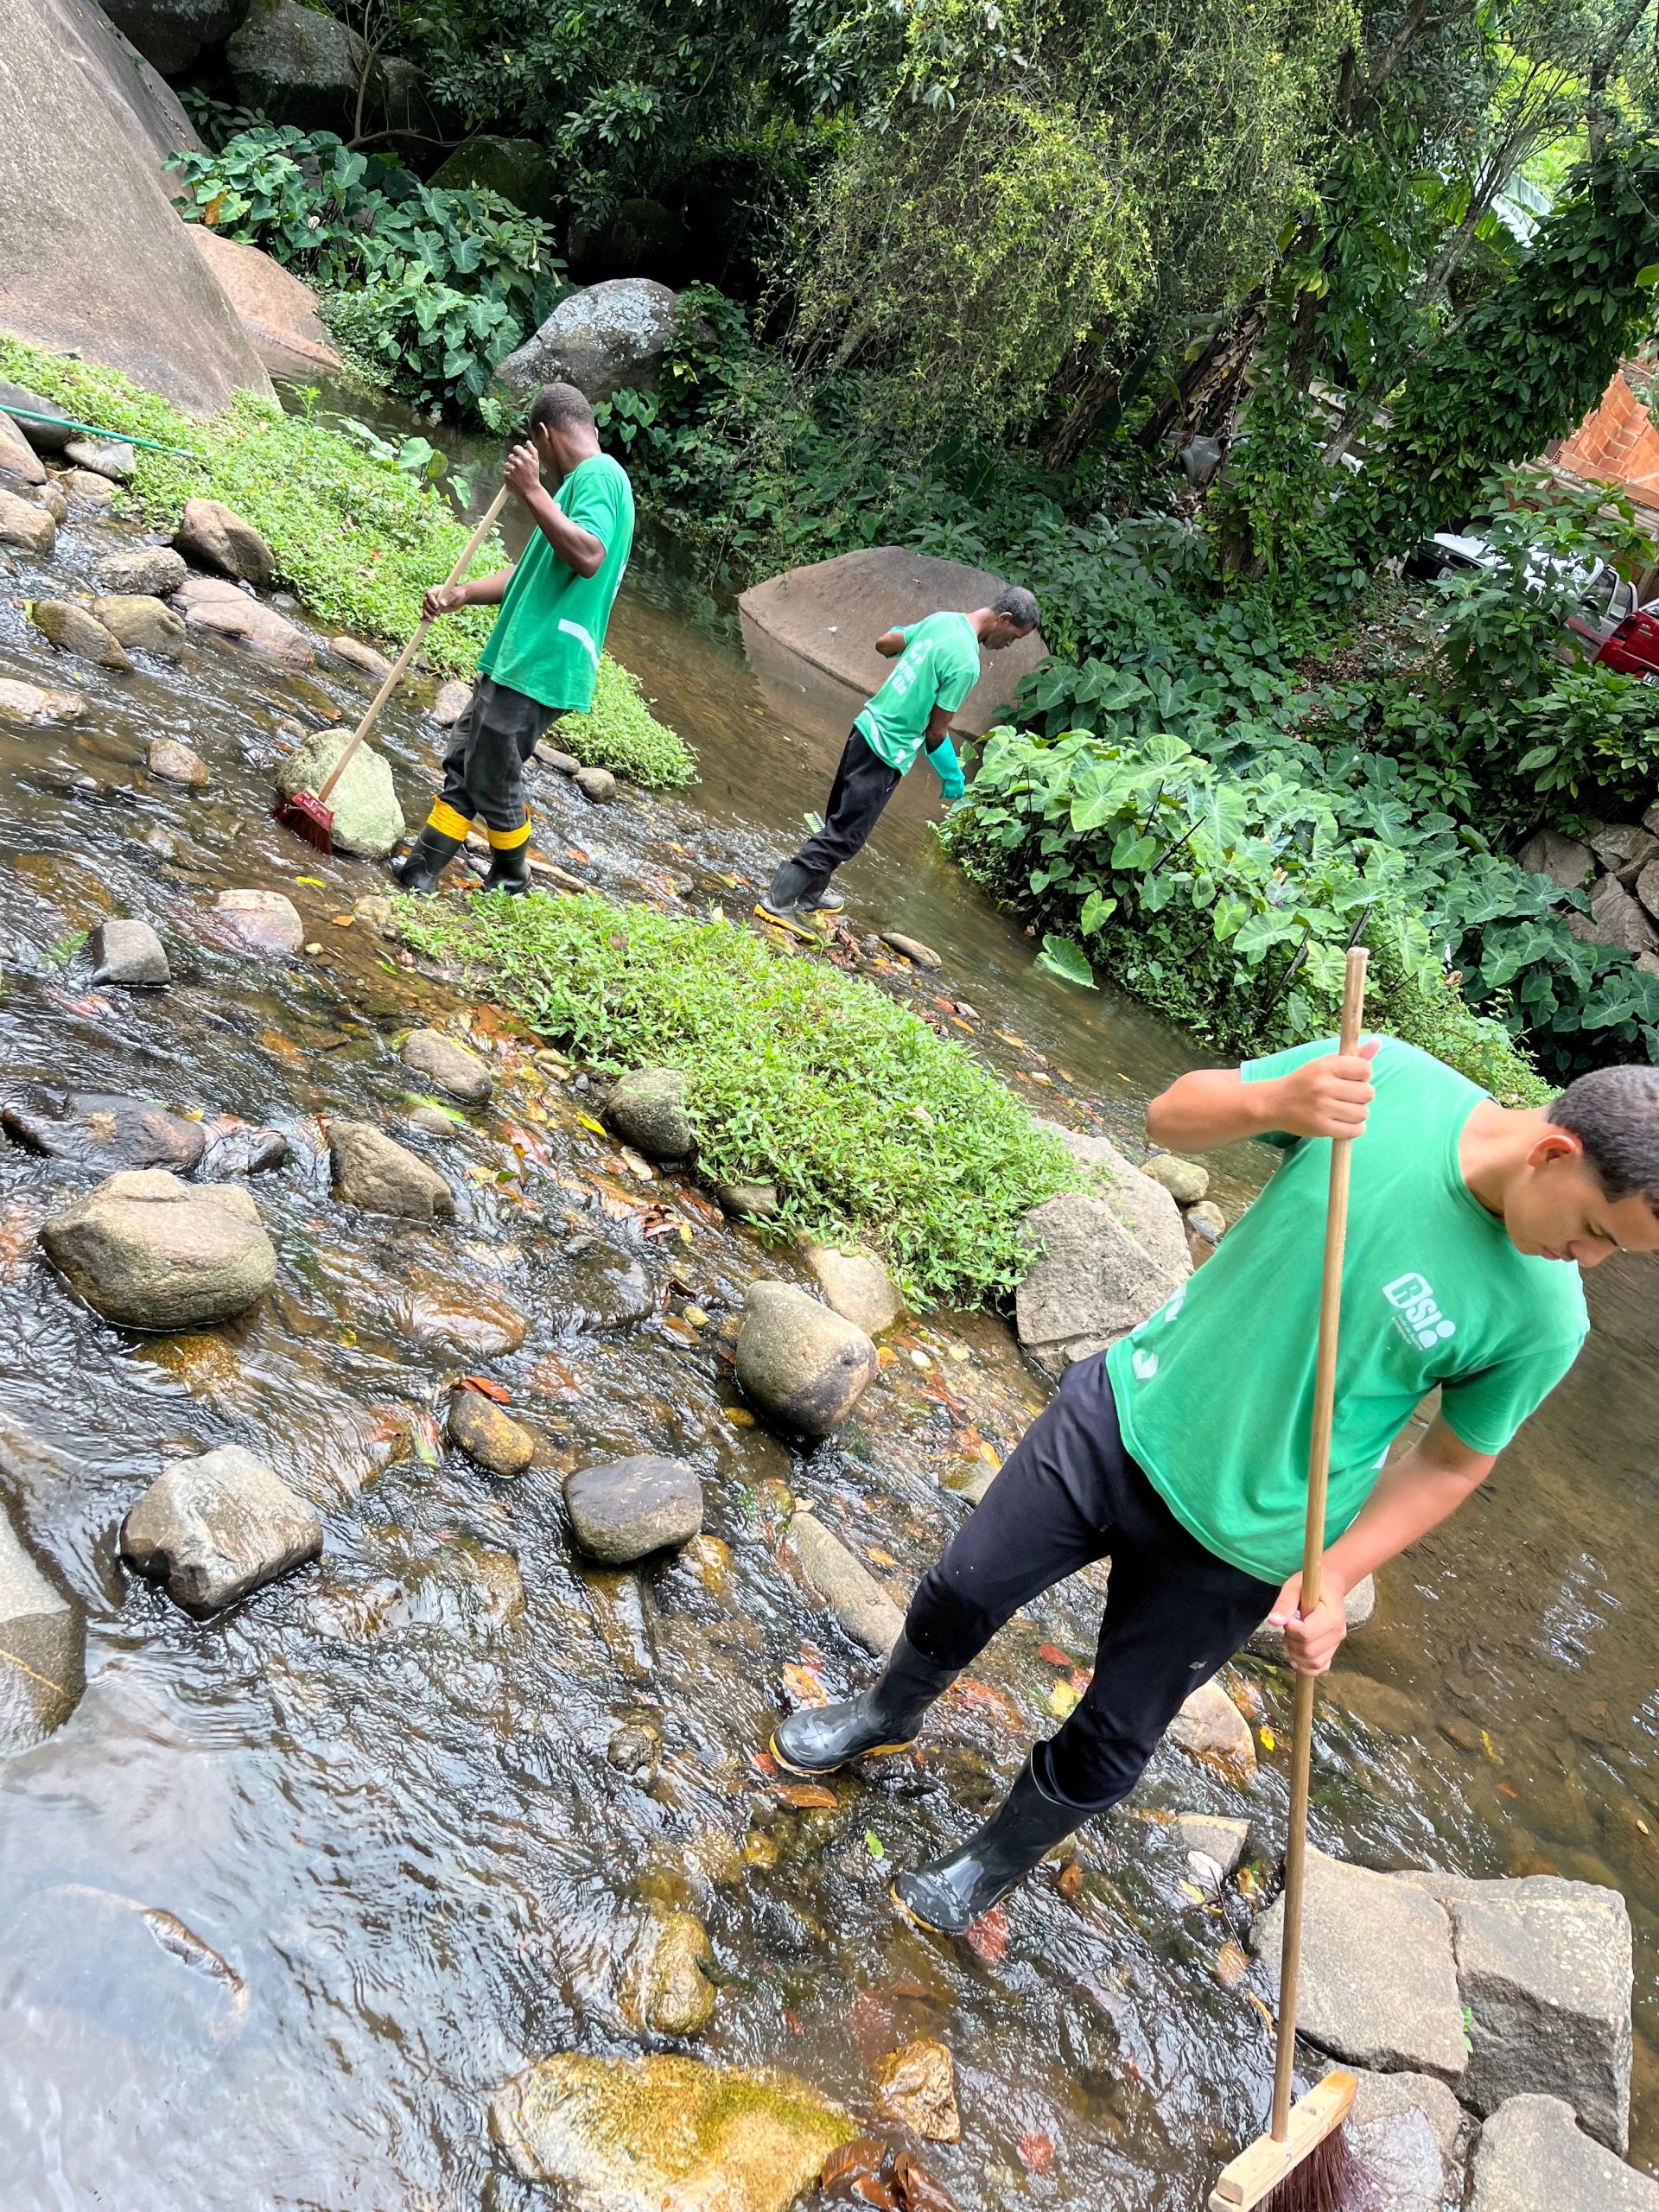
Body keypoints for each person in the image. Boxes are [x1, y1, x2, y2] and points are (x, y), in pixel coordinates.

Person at [772, 1044, 1659, 1934]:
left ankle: (995, 1858)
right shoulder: (1384, 1082)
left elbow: (1454, 1462)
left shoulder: (1547, 1320)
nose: (1586, 1260)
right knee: (964, 1584)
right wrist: (1279, 1097)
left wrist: (1339, 1574)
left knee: (1116, 1733)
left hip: (1249, 1536)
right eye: (1599, 1232)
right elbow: (1169, 1116)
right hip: (1128, 1410)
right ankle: (888, 1712)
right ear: (1553, 1154)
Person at [393, 381, 635, 896]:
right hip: (514, 656)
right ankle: (420, 870)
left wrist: (532, 491)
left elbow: (588, 556)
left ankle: (511, 875)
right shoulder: (577, 488)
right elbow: (527, 574)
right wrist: (460, 593)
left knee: (490, 772)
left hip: (542, 658)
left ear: (543, 434)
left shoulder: (599, 475)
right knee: (465, 762)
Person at [757, 588, 1040, 925]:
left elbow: (886, 642)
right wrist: (953, 776)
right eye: (1014, 637)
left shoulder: (943, 620)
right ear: (1004, 620)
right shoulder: (966, 663)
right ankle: (778, 900)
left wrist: (914, 655)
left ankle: (811, 894)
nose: (1010, 645)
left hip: (864, 729)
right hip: (887, 751)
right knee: (846, 835)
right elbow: (936, 732)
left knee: (839, 820)